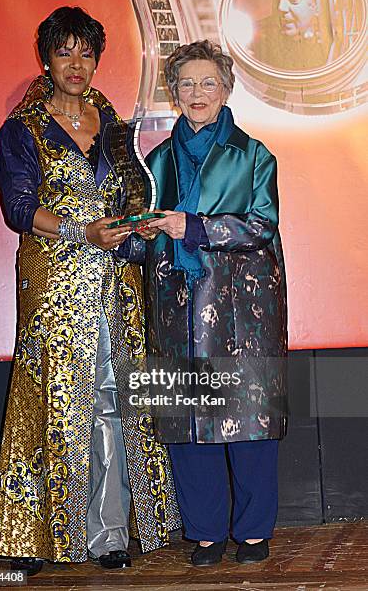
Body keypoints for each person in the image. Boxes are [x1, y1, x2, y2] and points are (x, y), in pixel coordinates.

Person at [0, 6, 180, 575]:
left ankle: (110, 532)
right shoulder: (22, 129)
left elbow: (130, 197)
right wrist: (81, 232)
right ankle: (36, 538)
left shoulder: (116, 127)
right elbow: (19, 209)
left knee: (114, 399)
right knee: (49, 400)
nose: (77, 63)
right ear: (45, 58)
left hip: (115, 280)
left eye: (86, 52)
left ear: (98, 59)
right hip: (54, 283)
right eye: (64, 51)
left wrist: (136, 228)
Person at [128, 39, 288, 566]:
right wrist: (128, 235)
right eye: (187, 84)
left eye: (208, 83)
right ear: (173, 93)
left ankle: (253, 530)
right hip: (176, 305)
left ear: (226, 89)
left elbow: (263, 227)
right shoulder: (155, 161)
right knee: (186, 423)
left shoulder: (254, 155)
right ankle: (203, 532)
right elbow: (145, 235)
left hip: (243, 308)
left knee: (248, 422)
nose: (197, 93)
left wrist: (193, 225)